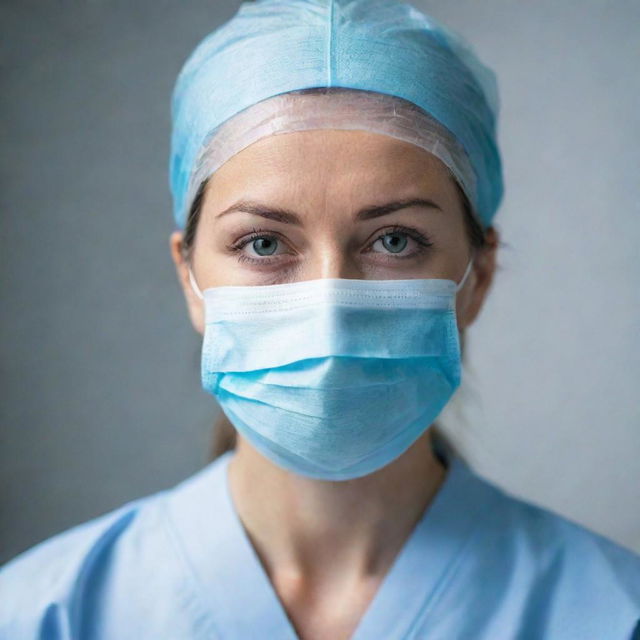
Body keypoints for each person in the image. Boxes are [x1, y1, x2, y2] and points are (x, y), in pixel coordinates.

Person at [1, 1, 639, 638]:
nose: (330, 313)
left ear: (480, 276)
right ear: (190, 280)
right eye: (264, 244)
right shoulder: (42, 615)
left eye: (394, 241)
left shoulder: (611, 614)